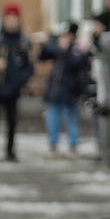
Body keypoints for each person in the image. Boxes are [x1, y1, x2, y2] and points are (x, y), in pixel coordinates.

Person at [0, 3, 34, 161]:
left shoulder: (23, 42)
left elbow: (29, 65)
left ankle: (10, 150)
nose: (11, 22)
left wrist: (21, 80)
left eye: (14, 19)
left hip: (13, 88)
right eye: (8, 19)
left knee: (12, 121)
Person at [36, 21, 92, 158]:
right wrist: (45, 43)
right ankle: (53, 146)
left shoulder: (76, 50)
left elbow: (76, 63)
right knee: (52, 120)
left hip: (71, 92)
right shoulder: (57, 48)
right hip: (55, 91)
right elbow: (43, 56)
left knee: (71, 120)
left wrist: (65, 50)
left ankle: (73, 146)